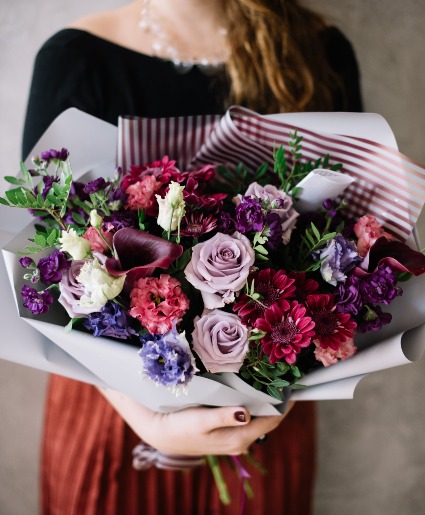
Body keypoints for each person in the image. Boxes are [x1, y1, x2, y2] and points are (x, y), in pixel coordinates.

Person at [22, 1, 362, 514]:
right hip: (113, 410)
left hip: (269, 412)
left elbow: (346, 232)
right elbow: (42, 262)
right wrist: (148, 418)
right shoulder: (76, 58)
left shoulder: (320, 51)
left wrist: (267, 397)